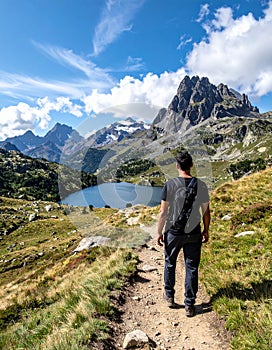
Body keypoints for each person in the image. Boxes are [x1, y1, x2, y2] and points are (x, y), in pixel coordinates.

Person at [157, 151, 210, 317]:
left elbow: (163, 212)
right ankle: (189, 303)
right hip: (193, 231)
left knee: (170, 262)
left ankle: (170, 296)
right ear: (191, 165)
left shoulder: (170, 184)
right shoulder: (200, 185)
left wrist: (159, 232)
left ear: (177, 166)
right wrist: (206, 229)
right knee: (191, 266)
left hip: (173, 231)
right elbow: (206, 211)